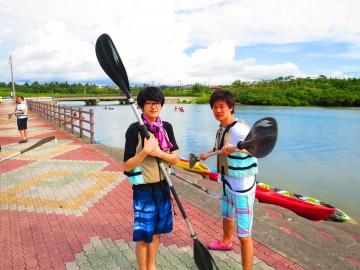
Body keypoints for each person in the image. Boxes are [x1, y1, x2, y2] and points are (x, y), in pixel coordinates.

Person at [199, 89, 257, 270]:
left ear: (231, 107)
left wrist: (235, 149)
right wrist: (207, 154)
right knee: (226, 215)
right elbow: (219, 147)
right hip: (228, 181)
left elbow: (257, 149)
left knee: (244, 235)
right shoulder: (222, 128)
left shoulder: (240, 129)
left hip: (243, 187)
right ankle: (225, 242)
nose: (218, 110)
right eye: (214, 107)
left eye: (222, 106)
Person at [123, 87, 179, 270]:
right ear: (141, 106)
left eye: (157, 103)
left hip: (163, 187)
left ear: (161, 105)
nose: (154, 106)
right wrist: (145, 151)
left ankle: (152, 266)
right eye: (149, 103)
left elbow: (175, 159)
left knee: (156, 234)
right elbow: (127, 166)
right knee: (143, 236)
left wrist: (159, 153)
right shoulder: (134, 130)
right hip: (144, 190)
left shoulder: (167, 127)